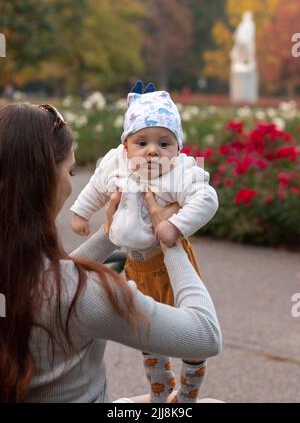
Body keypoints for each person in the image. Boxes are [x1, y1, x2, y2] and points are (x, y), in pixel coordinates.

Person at [0, 102, 221, 403]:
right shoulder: (82, 293)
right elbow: (205, 336)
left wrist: (110, 233)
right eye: (71, 171)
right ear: (46, 181)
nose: (70, 184)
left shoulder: (21, 271)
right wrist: (170, 240)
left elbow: (51, 278)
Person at [70, 82, 219, 403]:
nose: (153, 150)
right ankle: (160, 390)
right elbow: (96, 187)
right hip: (136, 265)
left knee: (190, 335)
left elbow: (207, 199)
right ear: (126, 146)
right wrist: (81, 213)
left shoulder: (180, 173)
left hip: (170, 265)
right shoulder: (116, 164)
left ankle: (189, 393)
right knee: (148, 332)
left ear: (177, 150)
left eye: (164, 143)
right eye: (142, 142)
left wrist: (175, 227)